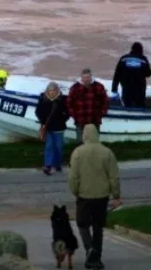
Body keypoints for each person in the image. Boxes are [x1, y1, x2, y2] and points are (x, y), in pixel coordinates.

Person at [68, 124, 121, 270]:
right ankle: (96, 255)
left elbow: (73, 177)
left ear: (84, 135)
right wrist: (116, 195)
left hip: (84, 195)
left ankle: (89, 249)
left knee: (82, 224)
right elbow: (114, 176)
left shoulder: (77, 153)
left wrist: (75, 192)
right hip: (102, 196)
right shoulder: (107, 152)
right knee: (98, 226)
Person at [67, 68, 109, 144]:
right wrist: (74, 115)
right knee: (80, 142)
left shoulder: (99, 86)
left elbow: (105, 101)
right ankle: (80, 155)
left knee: (94, 141)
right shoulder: (75, 88)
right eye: (84, 77)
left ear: (91, 77)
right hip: (80, 119)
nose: (86, 79)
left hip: (94, 119)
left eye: (88, 77)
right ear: (81, 77)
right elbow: (69, 103)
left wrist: (102, 113)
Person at [35, 81, 69, 175]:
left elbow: (68, 112)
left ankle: (57, 164)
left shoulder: (62, 99)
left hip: (59, 128)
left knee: (58, 147)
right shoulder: (43, 99)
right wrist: (43, 121)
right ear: (47, 91)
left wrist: (63, 119)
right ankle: (48, 165)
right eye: (50, 90)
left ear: (57, 90)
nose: (52, 92)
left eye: (54, 90)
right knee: (49, 146)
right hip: (48, 128)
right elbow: (38, 111)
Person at [111, 42, 151, 107]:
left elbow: (117, 74)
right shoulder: (143, 59)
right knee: (140, 106)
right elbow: (149, 73)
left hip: (126, 88)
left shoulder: (123, 59)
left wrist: (114, 89)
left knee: (127, 105)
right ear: (141, 50)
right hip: (139, 89)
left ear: (131, 49)